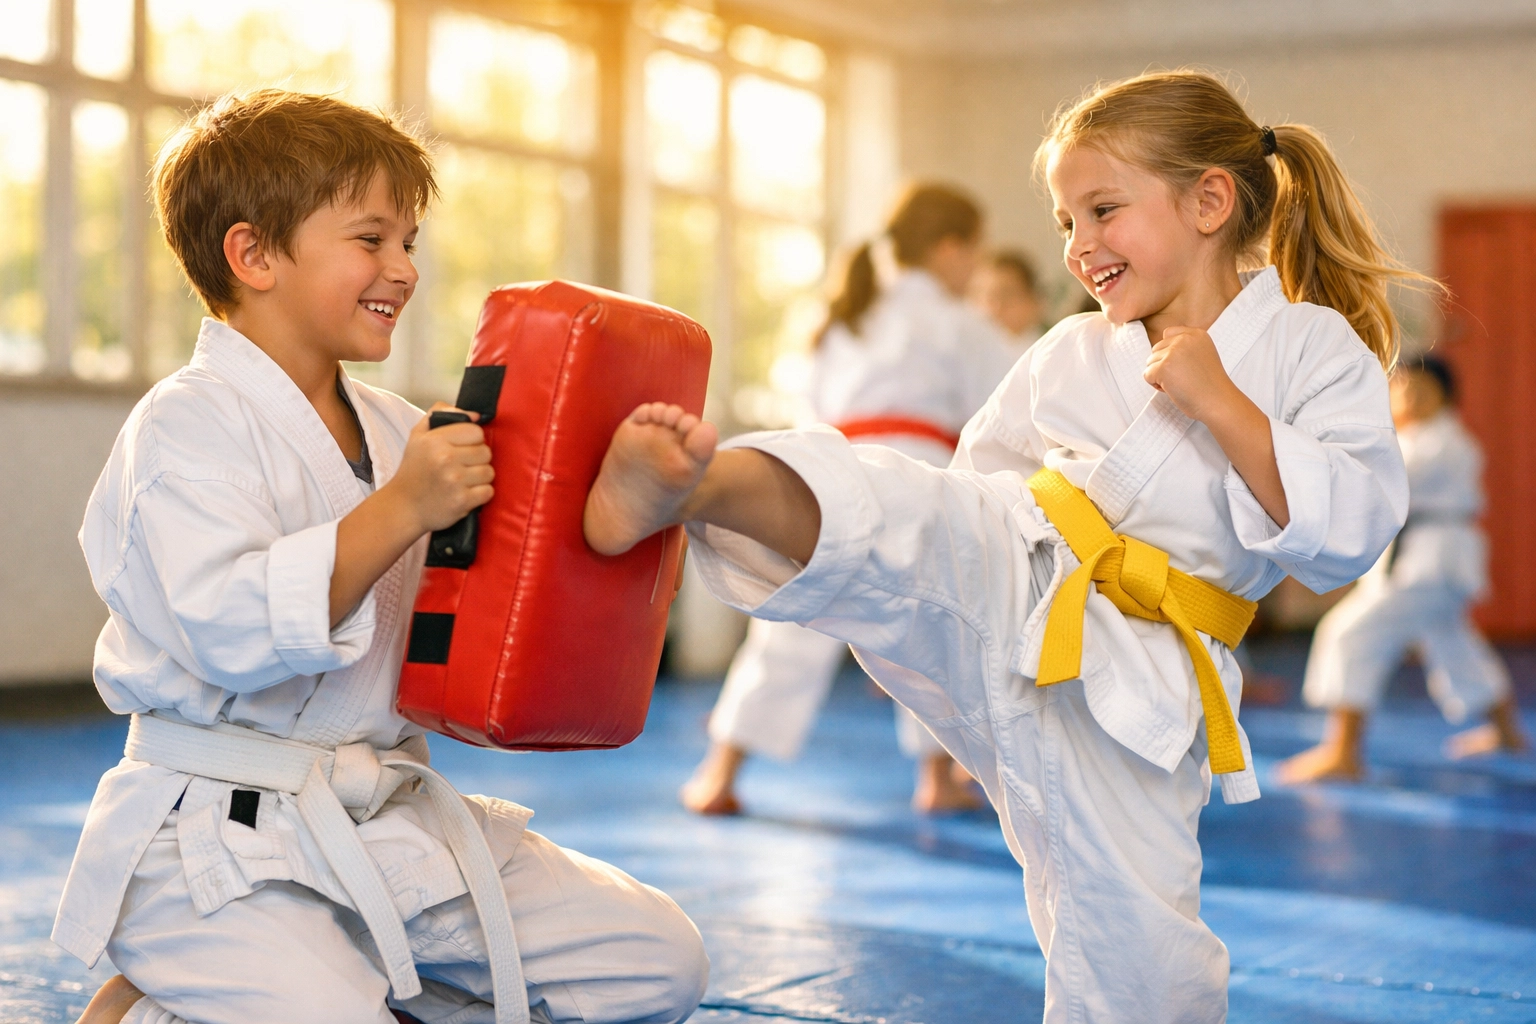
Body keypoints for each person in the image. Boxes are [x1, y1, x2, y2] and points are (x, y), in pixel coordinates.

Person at [581, 70, 1414, 1022]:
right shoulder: (1071, 349)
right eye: (1066, 221)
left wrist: (1223, 404)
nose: (1079, 245)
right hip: (1021, 565)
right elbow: (978, 470)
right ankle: (698, 485)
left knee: (1143, 956)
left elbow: (1352, 527)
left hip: (1141, 681)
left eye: (1101, 210)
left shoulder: (1312, 349)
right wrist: (978, 543)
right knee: (897, 507)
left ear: (1210, 201)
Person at [65, 90, 707, 1024]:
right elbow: (230, 627)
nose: (403, 269)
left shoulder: (398, 427)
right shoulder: (185, 426)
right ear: (252, 255)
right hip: (216, 831)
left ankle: (341, 984)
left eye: (410, 242)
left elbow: (509, 582)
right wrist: (405, 506)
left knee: (658, 965)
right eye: (371, 240)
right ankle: (159, 1006)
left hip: (383, 816)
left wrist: (628, 496)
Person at [680, 183, 1017, 817]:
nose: (975, 267)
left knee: (792, 626)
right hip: (920, 480)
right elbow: (1000, 411)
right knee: (936, 629)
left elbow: (808, 399)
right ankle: (937, 778)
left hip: (829, 471)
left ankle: (719, 773)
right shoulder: (959, 323)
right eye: (974, 252)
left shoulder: (844, 313)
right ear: (950, 250)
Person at [1277, 355, 1528, 783]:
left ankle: (1343, 751)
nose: (1408, 397)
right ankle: (1506, 732)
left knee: (1350, 633)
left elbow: (1377, 481)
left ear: (1445, 398)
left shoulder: (1439, 442)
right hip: (1430, 564)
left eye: (1421, 390)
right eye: (1402, 388)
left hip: (1427, 564)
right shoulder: (1416, 440)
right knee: (1453, 644)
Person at [974, 248, 1048, 350]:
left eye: (1006, 294)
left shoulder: (1047, 352)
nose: (996, 307)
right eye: (988, 296)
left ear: (1032, 301)